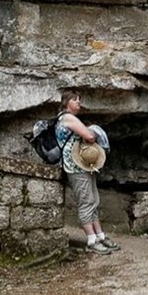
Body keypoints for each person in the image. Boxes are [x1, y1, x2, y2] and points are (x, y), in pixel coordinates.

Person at [55, 92, 117, 254]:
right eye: (75, 100)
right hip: (75, 166)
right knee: (86, 201)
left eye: (79, 100)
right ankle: (91, 240)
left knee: (93, 200)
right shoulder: (67, 118)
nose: (79, 103)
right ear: (66, 102)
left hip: (83, 165)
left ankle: (100, 235)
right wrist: (96, 131)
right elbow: (89, 136)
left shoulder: (69, 118)